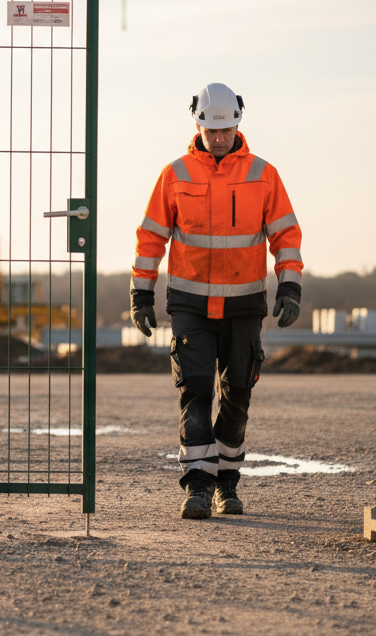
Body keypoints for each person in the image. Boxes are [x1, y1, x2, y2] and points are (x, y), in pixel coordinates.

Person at [129, 83, 302, 519]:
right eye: (212, 131)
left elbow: (285, 235)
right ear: (198, 125)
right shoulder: (175, 175)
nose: (219, 138)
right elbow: (151, 237)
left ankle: (228, 483)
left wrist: (290, 285)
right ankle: (199, 487)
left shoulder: (264, 174)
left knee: (238, 395)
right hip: (190, 305)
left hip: (245, 305)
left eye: (226, 130)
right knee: (196, 392)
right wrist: (141, 291)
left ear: (238, 125)